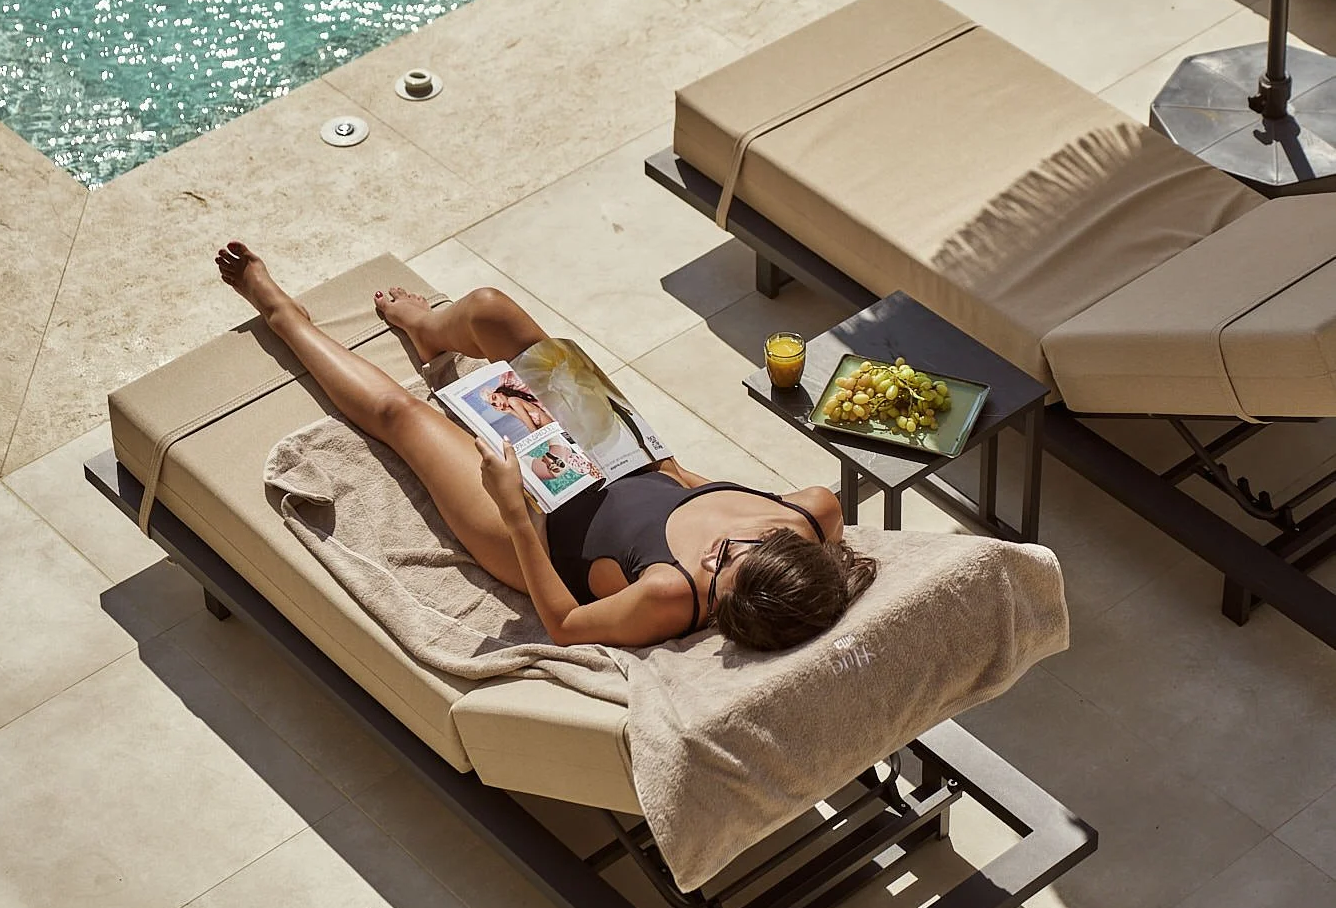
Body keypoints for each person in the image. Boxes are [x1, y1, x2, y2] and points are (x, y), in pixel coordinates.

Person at [216, 242, 876, 653]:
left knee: (400, 415)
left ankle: (282, 314)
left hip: (539, 525)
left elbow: (562, 624)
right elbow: (707, 506)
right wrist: (667, 468)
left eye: (719, 575)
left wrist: (511, 512)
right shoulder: (812, 511)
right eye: (740, 546)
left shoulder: (670, 598)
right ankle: (427, 329)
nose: (716, 552)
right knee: (489, 309)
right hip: (628, 459)